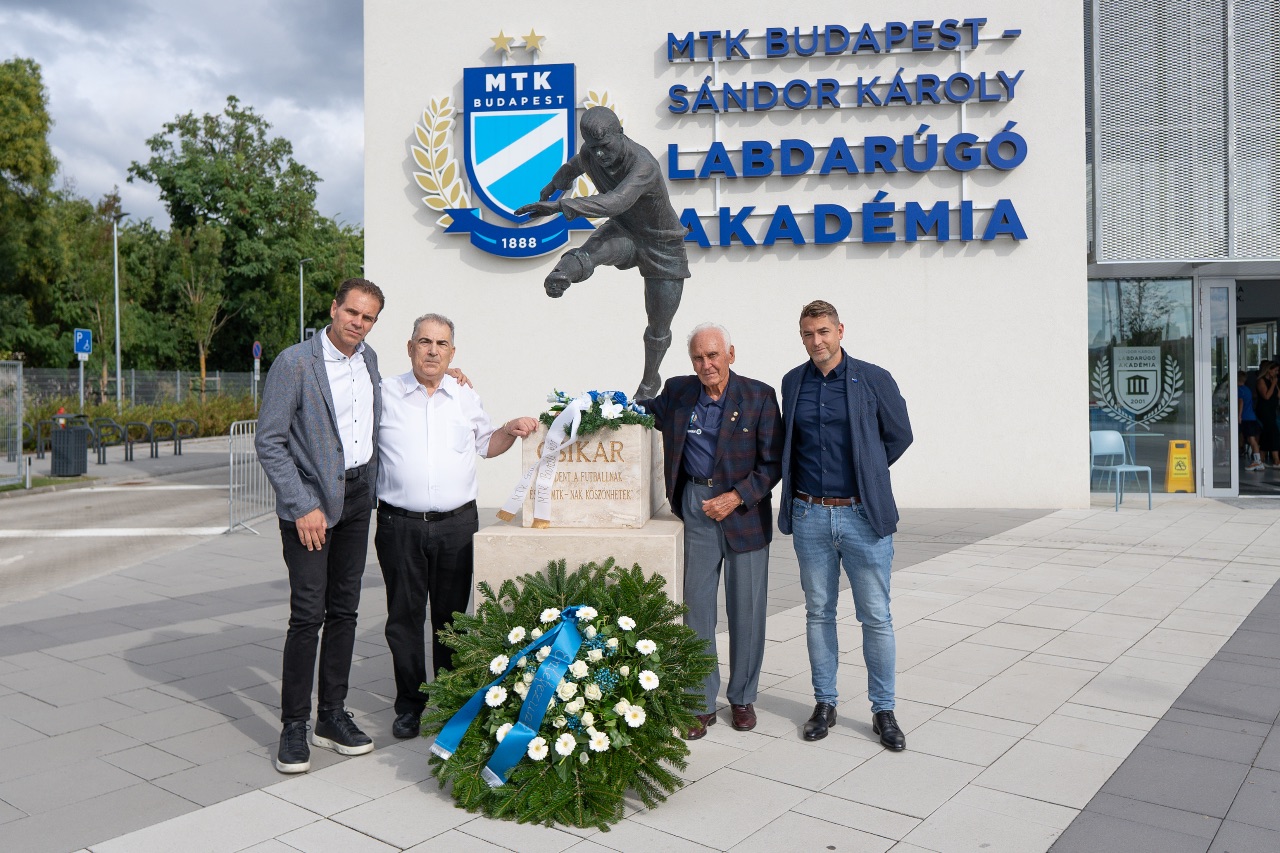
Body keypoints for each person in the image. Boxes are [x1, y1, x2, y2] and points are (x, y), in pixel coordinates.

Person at [376, 313, 539, 740]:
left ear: (452, 352)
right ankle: (410, 705)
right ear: (410, 347)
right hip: (399, 525)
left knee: (451, 621)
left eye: (441, 344)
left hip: (456, 526)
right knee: (404, 619)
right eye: (424, 342)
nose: (432, 350)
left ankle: (448, 702)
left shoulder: (464, 394)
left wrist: (509, 429)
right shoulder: (384, 394)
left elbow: (486, 444)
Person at [256, 278, 385, 774]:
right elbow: (269, 441)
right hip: (310, 504)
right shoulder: (295, 363)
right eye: (352, 312)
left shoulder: (369, 361)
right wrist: (301, 504)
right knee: (308, 615)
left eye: (368, 317)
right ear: (334, 309)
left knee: (345, 610)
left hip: (357, 499)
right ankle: (294, 725)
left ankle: (331, 715)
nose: (358, 323)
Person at [778, 300, 913, 750]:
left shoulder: (873, 379)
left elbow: (900, 435)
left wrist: (868, 471)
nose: (816, 341)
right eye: (808, 333)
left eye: (823, 331)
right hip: (810, 514)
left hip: (861, 516)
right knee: (818, 612)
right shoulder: (793, 382)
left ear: (840, 331)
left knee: (876, 615)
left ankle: (884, 710)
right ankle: (825, 703)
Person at [639, 322, 783, 739]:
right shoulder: (679, 392)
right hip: (696, 509)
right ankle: (699, 701)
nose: (706, 364)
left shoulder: (758, 396)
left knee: (746, 610)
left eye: (713, 355)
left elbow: (772, 464)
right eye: (698, 357)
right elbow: (639, 410)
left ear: (730, 355)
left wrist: (736, 497)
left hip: (743, 511)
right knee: (696, 610)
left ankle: (742, 698)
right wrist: (586, 406)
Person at [515, 106, 689, 400]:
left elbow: (615, 202)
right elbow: (575, 165)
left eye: (605, 146)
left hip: (663, 244)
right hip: (624, 230)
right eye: (593, 147)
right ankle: (562, 274)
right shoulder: (591, 153)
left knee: (658, 327)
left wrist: (559, 206)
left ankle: (650, 382)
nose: (599, 154)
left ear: (620, 133)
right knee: (591, 252)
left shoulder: (643, 165)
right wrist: (554, 184)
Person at [1239, 370, 1265, 472]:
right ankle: (1257, 461)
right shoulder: (1247, 389)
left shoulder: (1239, 390)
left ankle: (1257, 462)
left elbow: (1240, 402)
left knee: (1252, 440)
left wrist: (1239, 416)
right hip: (1251, 417)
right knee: (1251, 440)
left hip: (1246, 417)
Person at [1255, 361, 1279, 467]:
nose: (1277, 373)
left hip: (1272, 411)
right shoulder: (1261, 381)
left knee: (1267, 433)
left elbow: (1278, 395)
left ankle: (1261, 458)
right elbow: (1266, 396)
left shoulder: (1272, 381)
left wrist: (1275, 383)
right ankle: (1276, 460)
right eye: (1275, 370)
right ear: (1269, 370)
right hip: (1264, 411)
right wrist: (1273, 384)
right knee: (1273, 432)